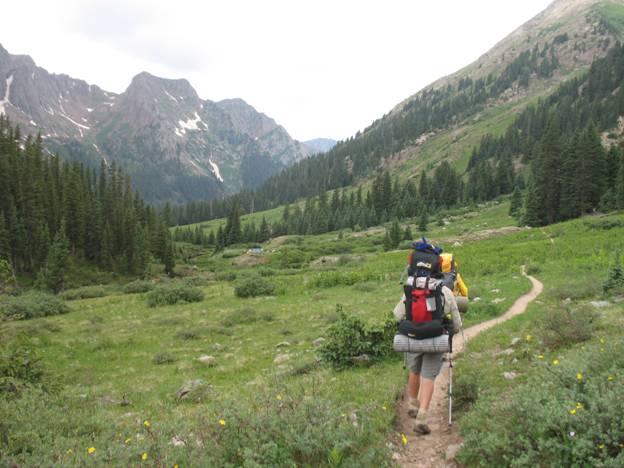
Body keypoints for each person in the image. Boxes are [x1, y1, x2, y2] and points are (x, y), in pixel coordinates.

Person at [393, 263, 463, 435]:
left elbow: (396, 314)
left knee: (414, 370)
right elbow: (457, 323)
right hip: (435, 340)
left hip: (413, 338)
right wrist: (451, 331)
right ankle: (422, 417)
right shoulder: (444, 291)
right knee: (428, 376)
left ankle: (412, 404)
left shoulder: (410, 288)